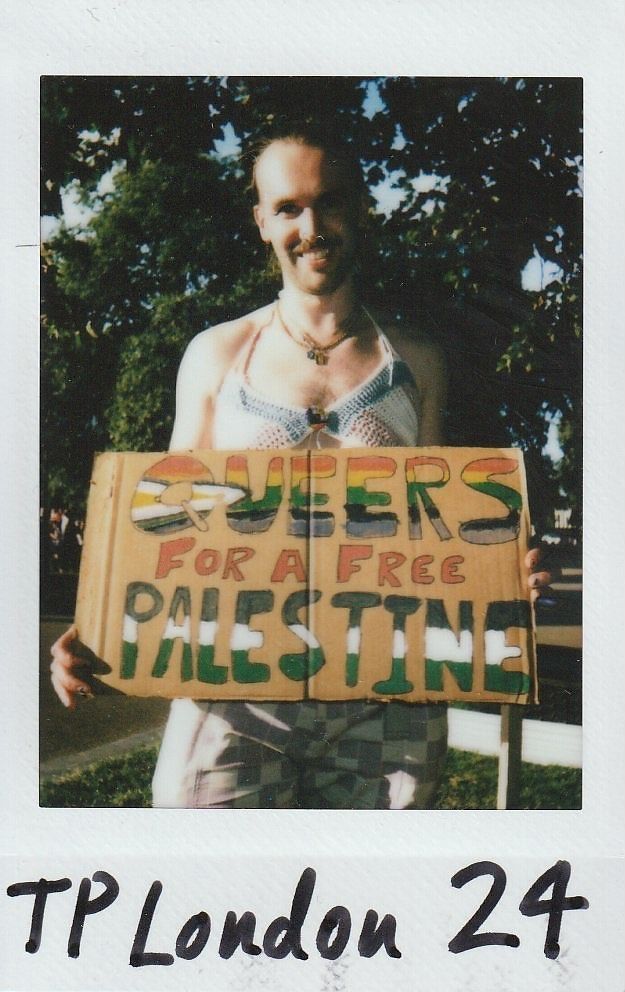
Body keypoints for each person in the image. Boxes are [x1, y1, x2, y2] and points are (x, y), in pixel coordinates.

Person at [51, 125, 550, 809]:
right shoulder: (217, 355)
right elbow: (164, 528)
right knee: (211, 866)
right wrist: (101, 624)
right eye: (288, 207)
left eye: (330, 202)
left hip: (386, 704)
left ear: (360, 209)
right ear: (262, 220)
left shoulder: (417, 363)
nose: (311, 228)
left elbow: (439, 537)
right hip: (234, 696)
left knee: (367, 876)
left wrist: (503, 573)